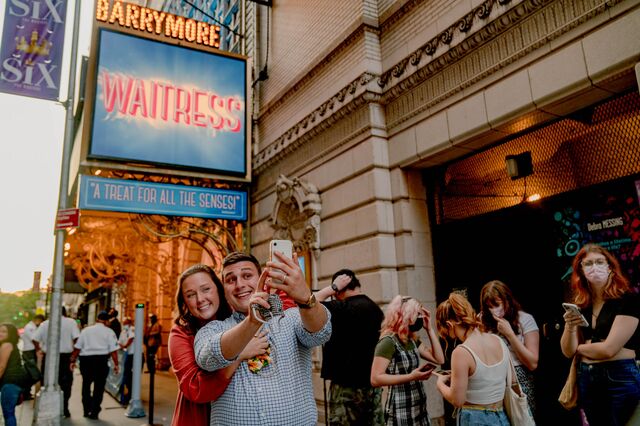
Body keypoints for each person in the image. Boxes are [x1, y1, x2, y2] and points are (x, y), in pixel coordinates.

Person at [194, 251, 332, 425]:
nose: (239, 284)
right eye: (231, 279)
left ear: (263, 279)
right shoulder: (213, 329)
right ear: (224, 289)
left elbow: (322, 333)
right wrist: (253, 321)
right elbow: (208, 359)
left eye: (247, 275)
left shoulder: (290, 318)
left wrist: (305, 297)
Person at [169, 263, 268, 426]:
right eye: (191, 294)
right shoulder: (181, 333)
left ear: (218, 289)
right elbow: (195, 388)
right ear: (184, 301)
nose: (200, 299)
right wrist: (239, 354)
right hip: (198, 418)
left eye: (206, 289)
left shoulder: (235, 319)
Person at [560, 243, 640, 426]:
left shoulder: (627, 300)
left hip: (619, 375)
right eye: (588, 263)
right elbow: (566, 351)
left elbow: (608, 349)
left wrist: (579, 349)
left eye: (599, 262)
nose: (594, 267)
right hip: (587, 377)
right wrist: (570, 326)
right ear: (580, 270)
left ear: (610, 267)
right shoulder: (580, 304)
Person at [316, 268, 385, 426]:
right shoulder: (375, 309)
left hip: (345, 385)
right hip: (371, 384)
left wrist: (332, 287)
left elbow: (310, 302)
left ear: (339, 289)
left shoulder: (341, 308)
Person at [434, 292, 511, 426]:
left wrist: (440, 384)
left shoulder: (461, 352)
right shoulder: (498, 340)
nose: (450, 337)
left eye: (446, 333)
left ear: (449, 325)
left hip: (475, 418)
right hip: (501, 416)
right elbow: (507, 380)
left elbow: (457, 400)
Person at [371, 295, 445, 425]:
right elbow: (375, 379)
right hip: (400, 408)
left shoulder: (412, 339)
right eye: (418, 313)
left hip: (419, 406)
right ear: (406, 315)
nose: (420, 317)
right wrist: (411, 376)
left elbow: (439, 359)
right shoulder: (388, 342)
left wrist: (430, 329)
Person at [479, 280, 539, 415]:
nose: (495, 310)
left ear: (507, 300)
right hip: (492, 378)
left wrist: (510, 334)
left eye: (497, 304)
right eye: (490, 306)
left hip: (519, 377)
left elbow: (532, 363)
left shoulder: (525, 319)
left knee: (523, 418)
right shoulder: (482, 321)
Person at [70, 310, 119, 420]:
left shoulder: (85, 331)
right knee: (99, 387)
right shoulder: (110, 332)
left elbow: (77, 347)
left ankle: (86, 409)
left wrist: (72, 360)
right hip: (101, 361)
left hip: (86, 361)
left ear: (97, 319)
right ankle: (95, 411)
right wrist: (116, 364)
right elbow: (113, 351)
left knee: (86, 385)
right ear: (106, 321)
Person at [33, 306, 80, 418]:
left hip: (48, 356)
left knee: (47, 382)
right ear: (65, 313)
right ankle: (64, 408)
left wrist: (39, 349)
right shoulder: (71, 322)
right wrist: (74, 356)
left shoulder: (45, 324)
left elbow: (35, 339)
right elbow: (77, 339)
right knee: (66, 383)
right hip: (65, 357)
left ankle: (48, 408)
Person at [0, 323, 28, 426]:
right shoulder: (11, 345)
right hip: (14, 383)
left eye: (4, 331)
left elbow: (2, 367)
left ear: (10, 334)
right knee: (9, 413)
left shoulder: (6, 345)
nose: (0, 333)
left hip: (10, 383)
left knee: (8, 414)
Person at [20, 313, 43, 399]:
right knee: (31, 373)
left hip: (30, 351)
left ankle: (26, 392)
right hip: (28, 351)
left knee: (32, 373)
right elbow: (34, 339)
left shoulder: (33, 327)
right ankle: (25, 392)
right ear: (37, 319)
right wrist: (38, 349)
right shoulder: (29, 327)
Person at [118, 316, 135, 405]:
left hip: (133, 355)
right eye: (124, 323)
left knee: (130, 376)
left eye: (126, 323)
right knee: (127, 376)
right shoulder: (123, 331)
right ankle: (126, 396)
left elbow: (131, 339)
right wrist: (120, 345)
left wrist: (124, 346)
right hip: (127, 354)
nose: (124, 325)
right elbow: (119, 341)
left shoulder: (132, 329)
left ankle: (129, 396)